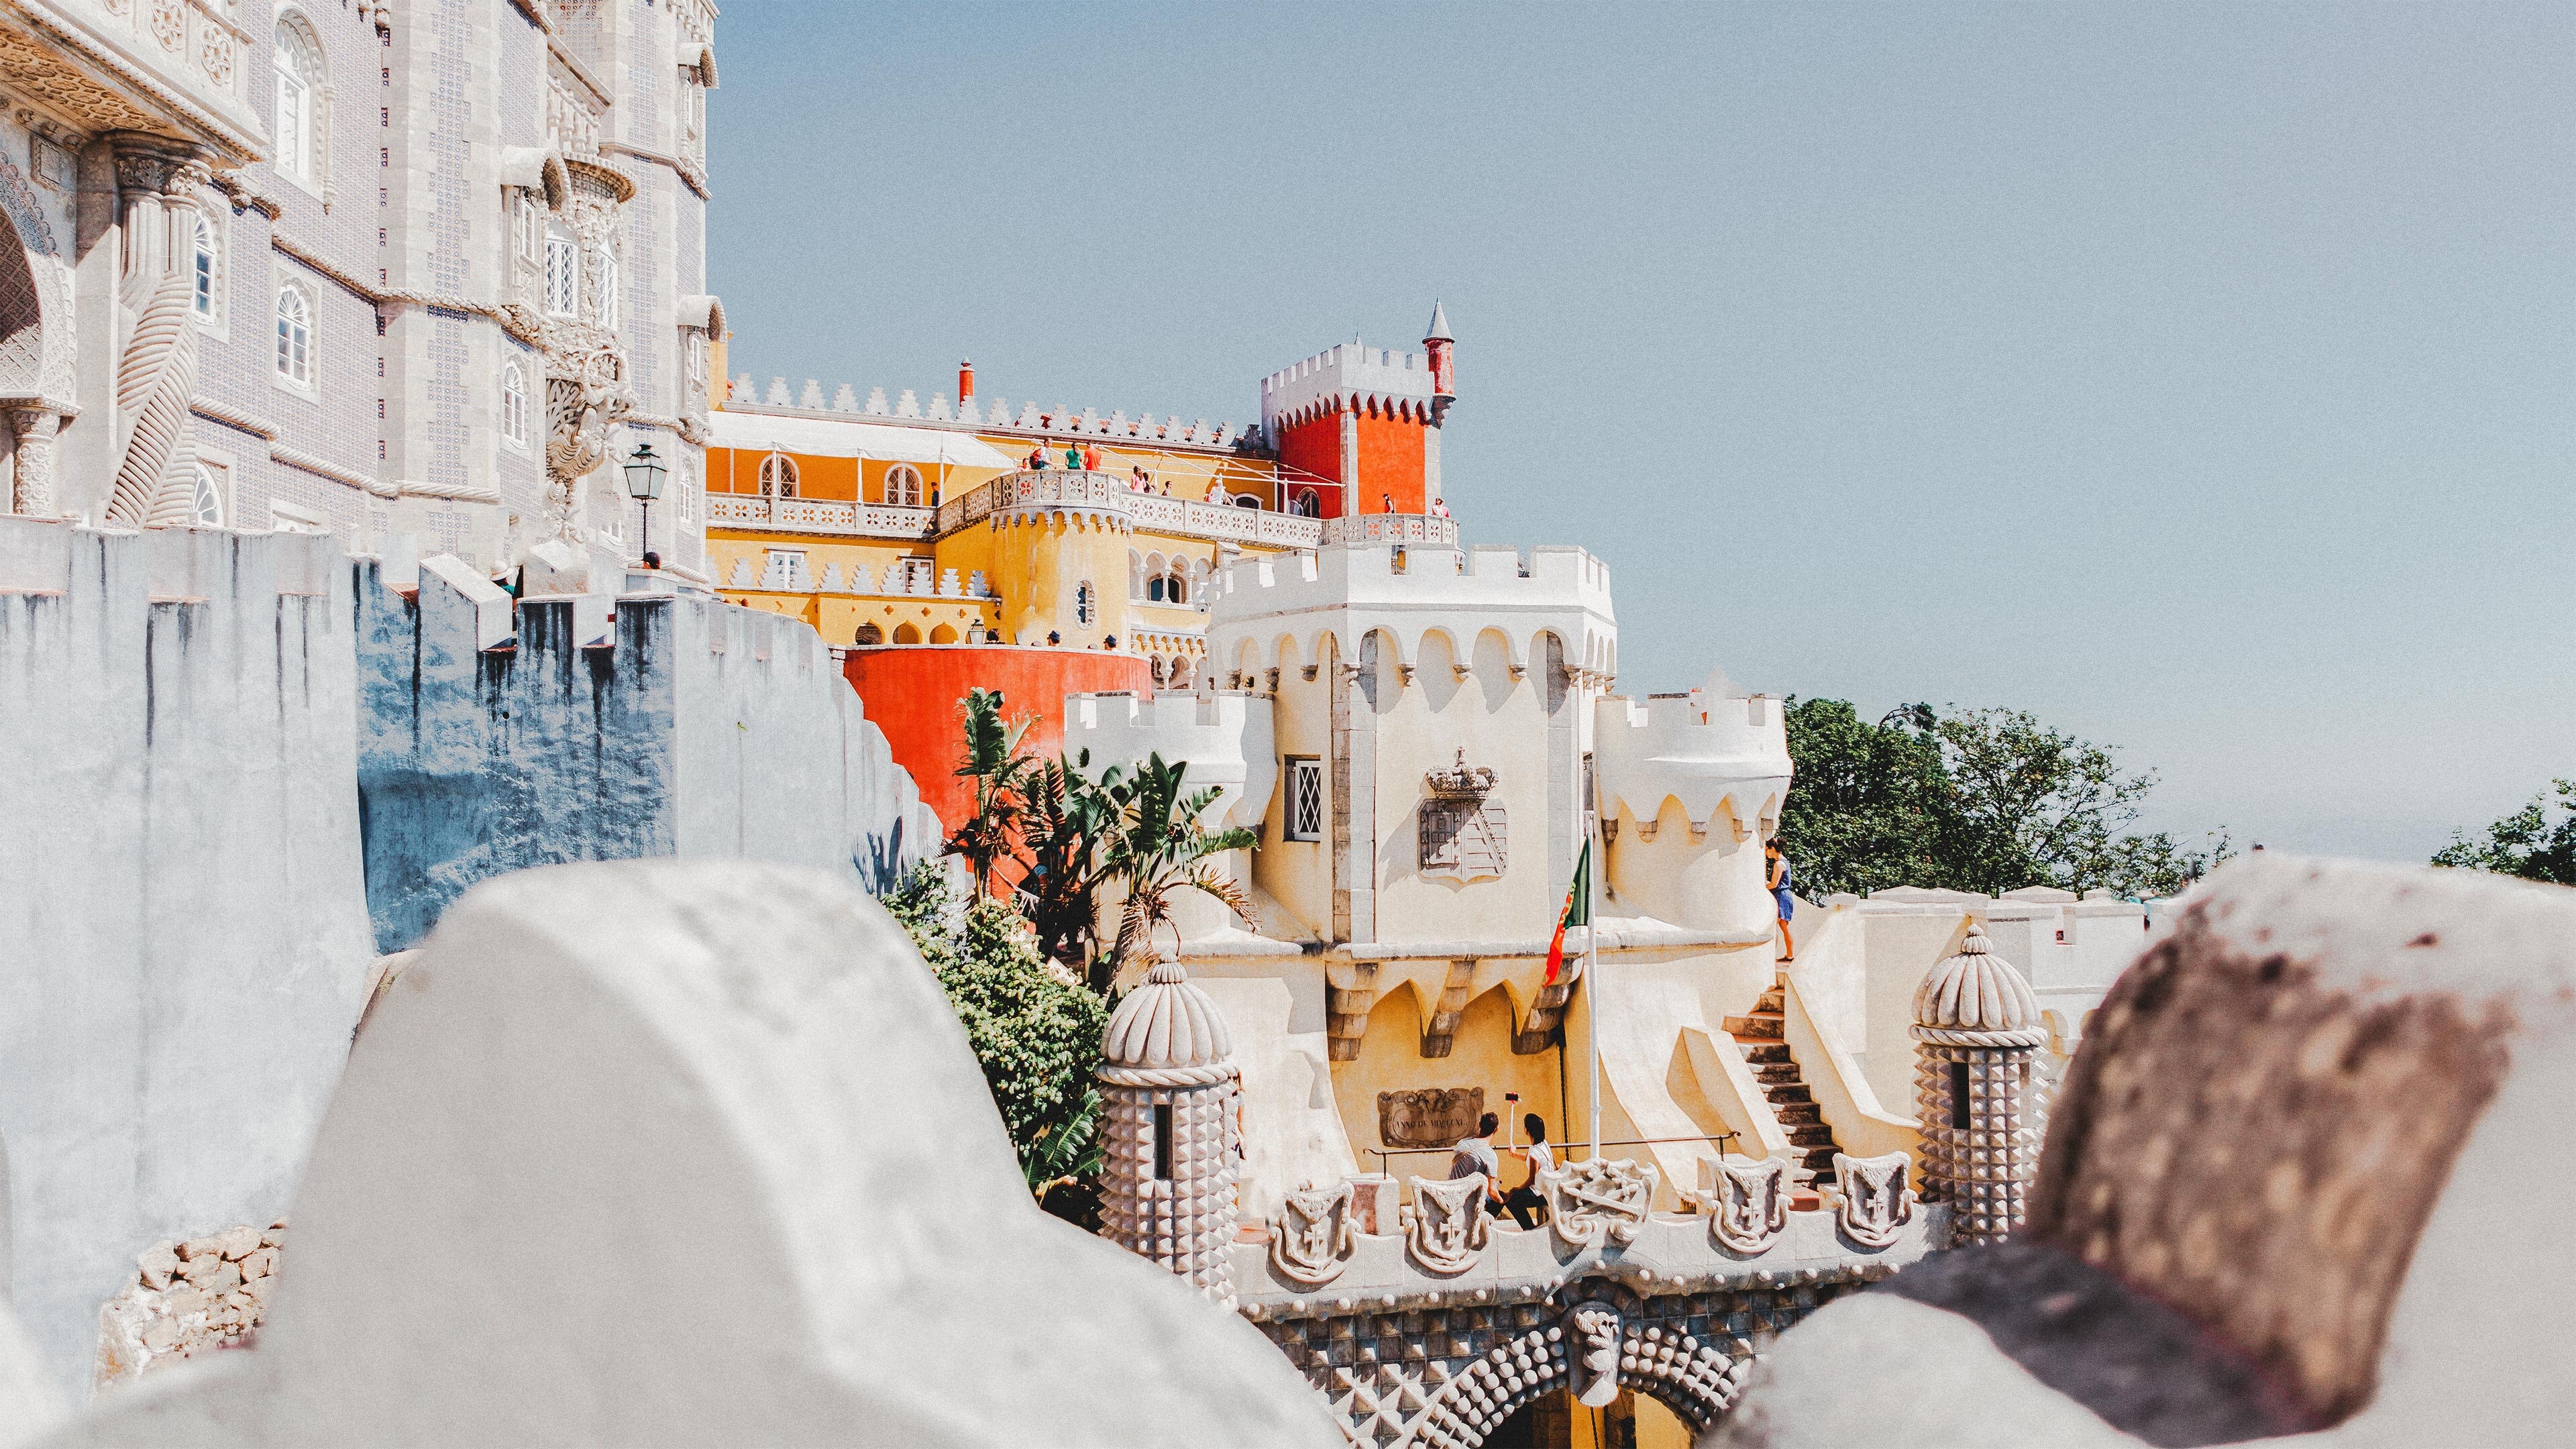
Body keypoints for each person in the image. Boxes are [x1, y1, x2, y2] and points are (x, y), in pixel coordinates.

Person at [1501, 1114, 1552, 1229]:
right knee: (1514, 1195)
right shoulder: (1543, 1144)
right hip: (1547, 1188)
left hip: (1541, 1193)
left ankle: (1528, 1227)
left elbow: (1532, 1179)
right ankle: (1529, 1226)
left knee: (1511, 1199)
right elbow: (1529, 1158)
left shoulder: (1534, 1151)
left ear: (1526, 1130)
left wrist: (1516, 1189)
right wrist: (1514, 1154)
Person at [1448, 1112, 1501, 1214]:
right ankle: (1485, 1225)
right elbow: (1492, 1191)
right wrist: (1503, 1201)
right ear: (1496, 1129)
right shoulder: (1490, 1155)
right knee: (1500, 1196)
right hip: (1470, 1198)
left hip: (1453, 1192)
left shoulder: (1462, 1142)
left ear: (1479, 1125)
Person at [1766, 842, 1795, 961]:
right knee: (1784, 926)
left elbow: (1774, 884)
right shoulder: (1785, 862)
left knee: (1774, 926)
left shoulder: (1779, 864)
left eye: (1766, 850)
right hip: (1785, 895)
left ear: (1772, 848)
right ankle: (1790, 955)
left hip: (1781, 897)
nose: (1766, 854)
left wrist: (1760, 887)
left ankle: (1770, 956)